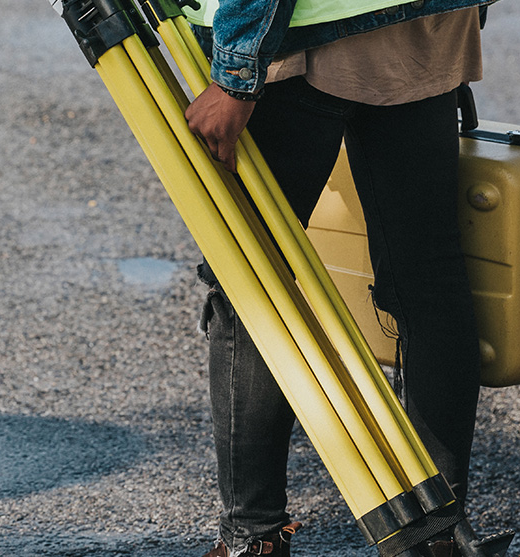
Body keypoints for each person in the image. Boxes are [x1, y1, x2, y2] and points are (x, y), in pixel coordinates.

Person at [183, 1, 497, 556]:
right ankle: (438, 538)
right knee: (428, 282)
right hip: (424, 30)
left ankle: (252, 539)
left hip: (302, 40)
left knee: (253, 282)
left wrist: (236, 77)